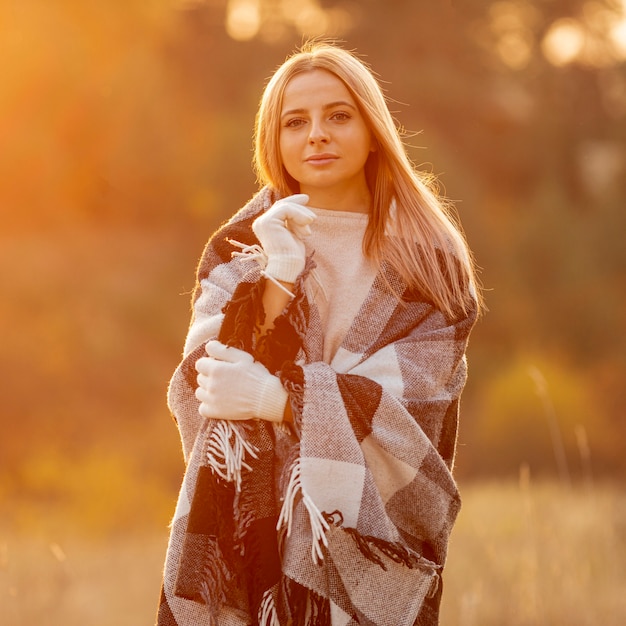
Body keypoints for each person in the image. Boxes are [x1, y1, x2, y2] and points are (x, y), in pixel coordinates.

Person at [156, 40, 481, 626]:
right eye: (295, 122)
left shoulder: (430, 265)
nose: (317, 136)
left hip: (367, 539)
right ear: (273, 140)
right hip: (245, 540)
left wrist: (282, 401)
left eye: (338, 115)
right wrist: (276, 275)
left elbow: (408, 412)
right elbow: (208, 383)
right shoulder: (238, 247)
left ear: (373, 128)